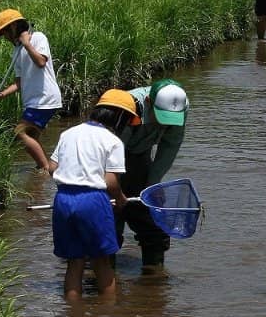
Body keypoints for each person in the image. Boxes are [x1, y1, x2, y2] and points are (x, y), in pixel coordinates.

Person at [48, 89, 137, 300]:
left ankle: (72, 315)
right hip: (93, 201)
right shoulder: (113, 141)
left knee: (74, 262)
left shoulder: (68, 133)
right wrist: (121, 199)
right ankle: (107, 315)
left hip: (63, 199)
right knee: (102, 261)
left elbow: (52, 168)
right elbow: (111, 182)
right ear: (120, 117)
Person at [117, 78, 190, 270]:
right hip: (110, 157)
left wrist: (152, 185)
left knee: (152, 222)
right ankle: (101, 271)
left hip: (140, 153)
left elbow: (170, 146)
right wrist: (116, 191)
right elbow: (112, 154)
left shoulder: (181, 106)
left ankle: (154, 276)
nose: (164, 123)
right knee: (110, 218)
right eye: (160, 116)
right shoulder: (128, 106)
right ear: (149, 102)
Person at [0, 8, 62, 171]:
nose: (5, 37)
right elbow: (19, 82)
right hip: (32, 101)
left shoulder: (37, 38)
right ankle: (45, 170)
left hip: (44, 98)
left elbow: (41, 62)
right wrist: (2, 94)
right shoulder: (16, 51)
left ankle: (45, 170)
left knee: (20, 132)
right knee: (31, 140)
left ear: (14, 26)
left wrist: (27, 44)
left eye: (5, 32)